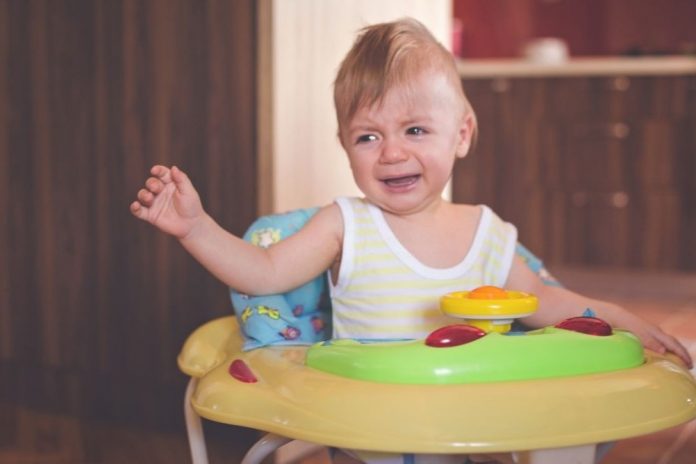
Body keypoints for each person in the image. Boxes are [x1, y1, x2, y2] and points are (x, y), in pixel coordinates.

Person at [131, 17, 692, 464]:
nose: (392, 153)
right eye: (368, 136)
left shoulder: (489, 235)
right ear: (345, 147)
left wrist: (622, 319)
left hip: (474, 433)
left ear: (462, 134)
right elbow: (263, 273)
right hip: (365, 435)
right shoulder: (344, 224)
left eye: (415, 129)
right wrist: (196, 226)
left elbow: (547, 303)